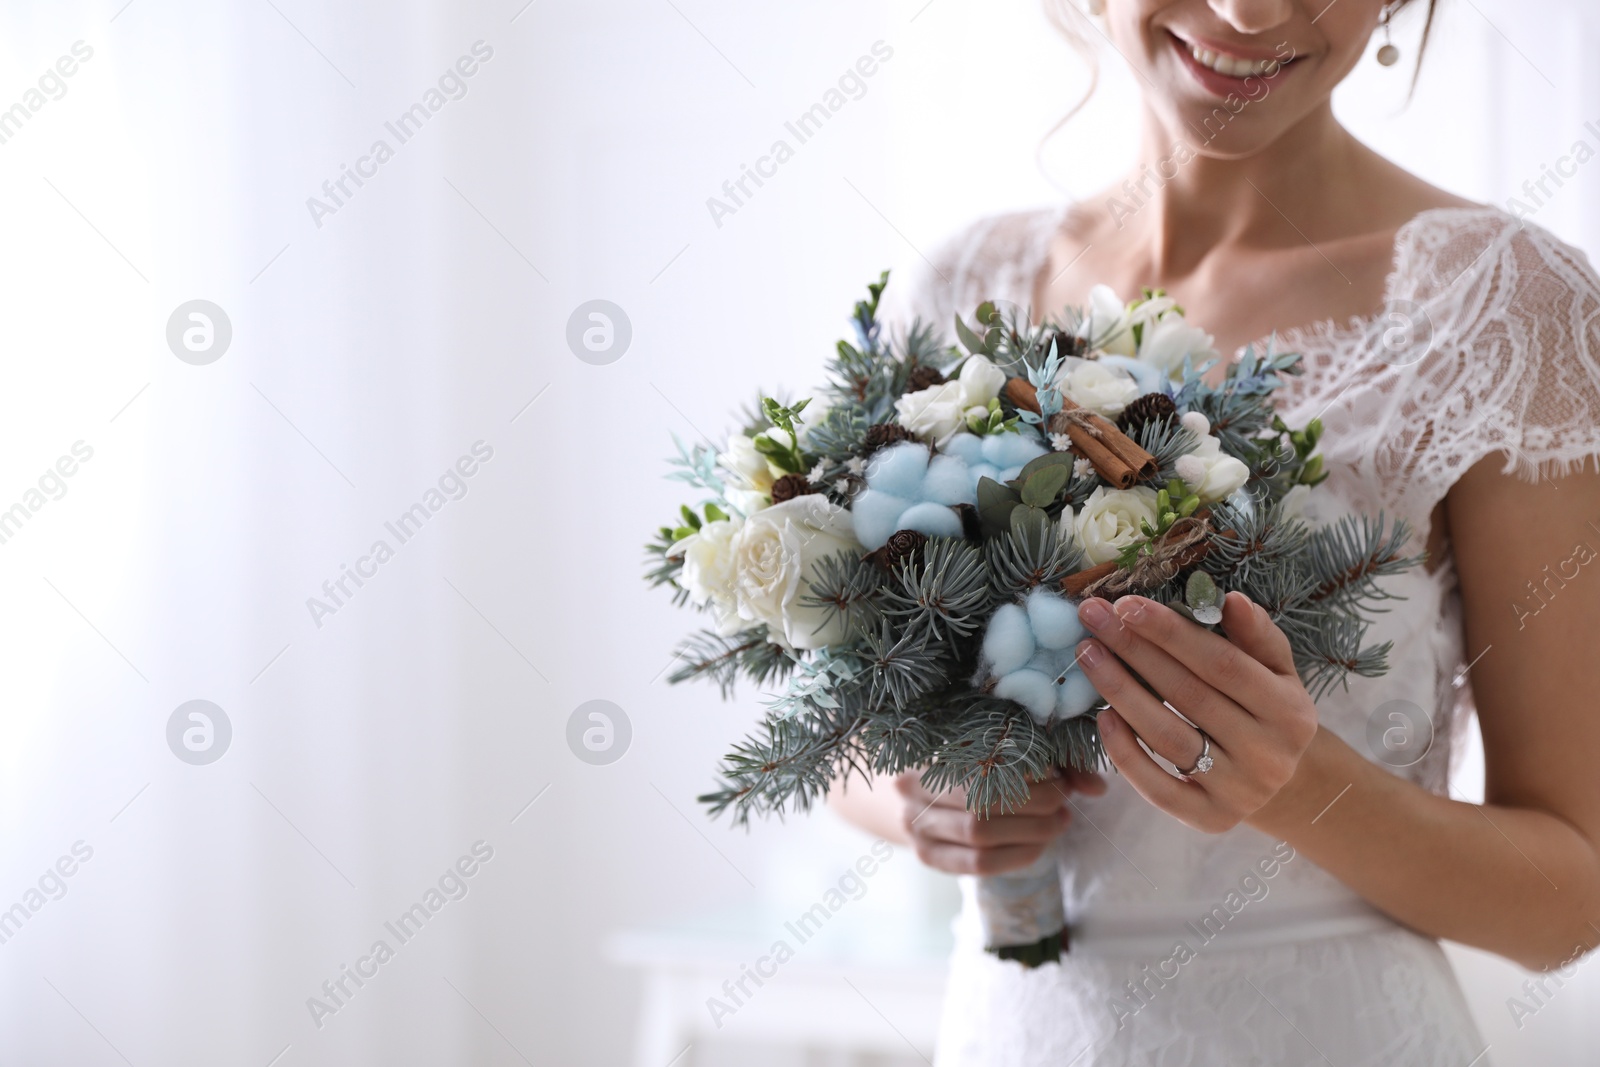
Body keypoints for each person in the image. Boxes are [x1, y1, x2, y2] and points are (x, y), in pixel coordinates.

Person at [829, 0, 1600, 1063]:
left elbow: (1568, 902)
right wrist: (918, 799)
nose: (1251, 11)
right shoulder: (966, 291)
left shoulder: (1503, 311)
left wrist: (1302, 786)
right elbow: (848, 736)